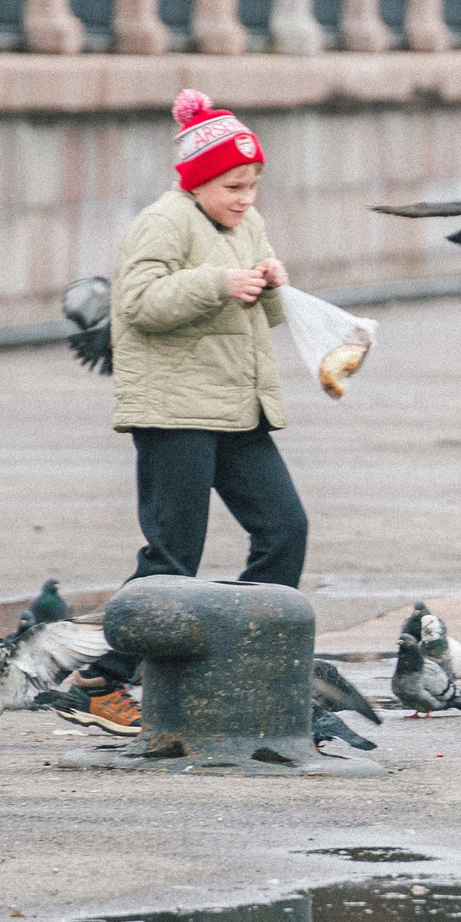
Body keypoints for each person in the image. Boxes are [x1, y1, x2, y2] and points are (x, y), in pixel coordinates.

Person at [110, 89, 310, 586]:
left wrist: (272, 286)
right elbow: (137, 304)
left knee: (286, 529)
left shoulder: (248, 222)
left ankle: (252, 642)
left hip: (238, 408)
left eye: (253, 185)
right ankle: (112, 666)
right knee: (174, 554)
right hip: (174, 411)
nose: (246, 198)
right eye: (233, 186)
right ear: (198, 182)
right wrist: (217, 282)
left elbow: (266, 316)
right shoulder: (163, 221)